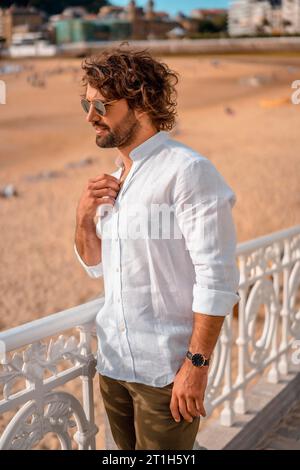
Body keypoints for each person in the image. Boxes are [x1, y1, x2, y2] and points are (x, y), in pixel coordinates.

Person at [74, 46, 240, 450]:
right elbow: (97, 265)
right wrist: (83, 215)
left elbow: (216, 275)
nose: (90, 116)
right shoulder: (115, 178)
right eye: (86, 103)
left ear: (142, 103)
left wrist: (196, 365)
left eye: (102, 105)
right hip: (113, 366)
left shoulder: (187, 171)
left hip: (166, 372)